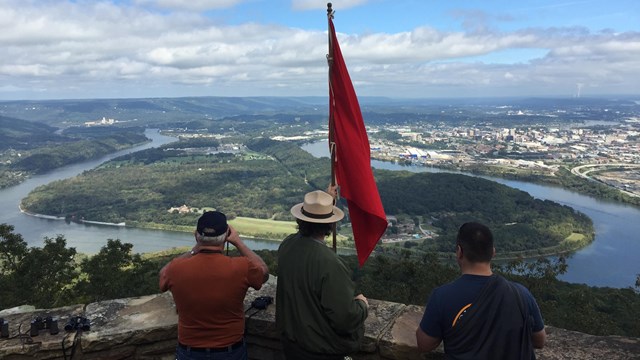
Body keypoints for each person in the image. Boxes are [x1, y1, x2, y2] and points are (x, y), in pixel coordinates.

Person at [416, 222, 546, 360]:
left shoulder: (442, 296)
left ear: (459, 252)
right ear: (493, 252)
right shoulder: (522, 294)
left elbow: (424, 345)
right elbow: (540, 341)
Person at [159, 211, 269, 360]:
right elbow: (263, 272)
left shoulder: (176, 268)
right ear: (226, 236)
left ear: (196, 235)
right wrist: (238, 242)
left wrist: (196, 248)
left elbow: (163, 274)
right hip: (230, 350)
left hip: (190, 350)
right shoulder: (242, 267)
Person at [276, 189, 369, 360]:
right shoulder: (330, 263)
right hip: (320, 350)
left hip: (291, 345)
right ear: (331, 224)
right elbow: (344, 318)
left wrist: (324, 202)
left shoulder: (287, 245)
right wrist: (362, 306)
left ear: (300, 219)